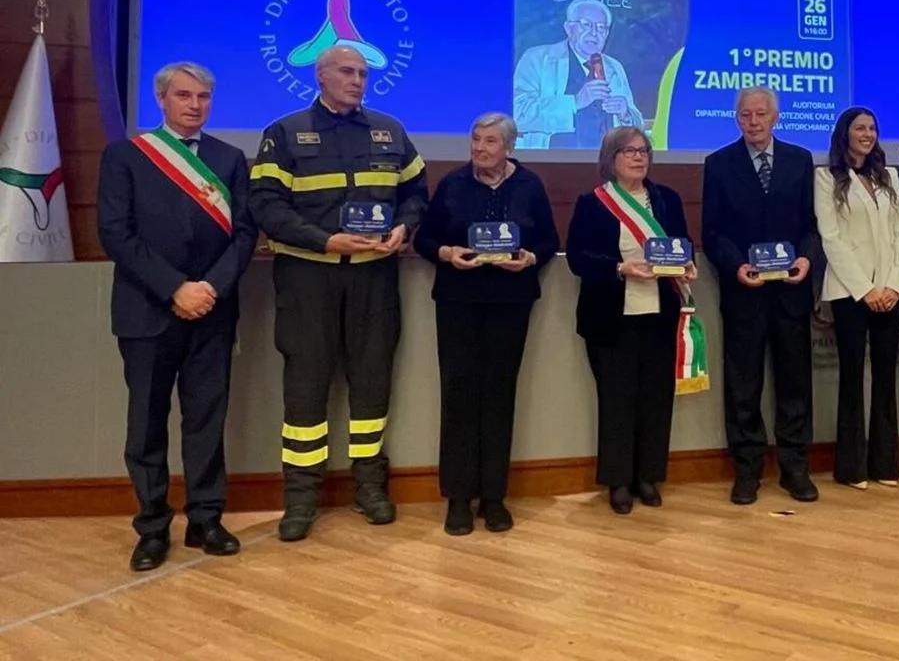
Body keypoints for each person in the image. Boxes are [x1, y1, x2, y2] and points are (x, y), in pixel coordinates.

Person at [248, 45, 428, 542]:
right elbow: (265, 205)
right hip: (308, 278)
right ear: (321, 76)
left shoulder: (390, 131)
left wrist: (404, 227)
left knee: (372, 381)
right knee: (305, 387)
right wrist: (324, 240)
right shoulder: (284, 133)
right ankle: (301, 499)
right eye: (347, 72)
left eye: (363, 73)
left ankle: (369, 487)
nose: (357, 80)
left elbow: (416, 193)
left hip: (374, 279)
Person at [97, 62, 258, 572]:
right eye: (184, 95)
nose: (195, 105)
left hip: (212, 310)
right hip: (148, 310)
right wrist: (175, 288)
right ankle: (151, 527)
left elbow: (245, 234)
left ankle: (206, 520)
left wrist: (209, 288)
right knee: (146, 423)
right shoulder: (126, 156)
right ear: (161, 100)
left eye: (203, 96)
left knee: (206, 420)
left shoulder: (229, 158)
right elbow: (115, 233)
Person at [414, 113, 559, 536]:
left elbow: (549, 239)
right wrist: (447, 253)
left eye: (490, 141)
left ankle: (494, 497)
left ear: (509, 147)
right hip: (459, 301)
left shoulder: (529, 185)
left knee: (499, 395)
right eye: (476, 139)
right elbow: (424, 239)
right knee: (459, 396)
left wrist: (530, 258)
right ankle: (458, 498)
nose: (480, 148)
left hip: (510, 302)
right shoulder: (452, 184)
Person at [566, 127, 694, 515]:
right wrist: (621, 268)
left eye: (643, 151)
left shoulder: (668, 200)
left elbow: (681, 247)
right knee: (617, 400)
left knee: (655, 398)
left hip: (659, 314)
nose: (638, 157)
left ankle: (648, 477)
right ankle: (618, 481)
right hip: (611, 316)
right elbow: (578, 258)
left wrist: (686, 266)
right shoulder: (593, 202)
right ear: (611, 158)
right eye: (629, 151)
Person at [702, 87, 820, 505]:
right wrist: (736, 265)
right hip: (744, 292)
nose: (753, 122)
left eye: (761, 114)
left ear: (775, 118)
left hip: (791, 290)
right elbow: (712, 232)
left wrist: (806, 258)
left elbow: (811, 224)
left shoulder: (800, 160)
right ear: (737, 119)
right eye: (745, 115)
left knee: (795, 382)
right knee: (743, 385)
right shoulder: (718, 163)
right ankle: (747, 470)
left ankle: (795, 468)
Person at [814, 107, 899, 490]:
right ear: (845, 134)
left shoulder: (890, 177)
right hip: (850, 292)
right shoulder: (826, 178)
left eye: (872, 128)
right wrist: (865, 289)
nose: (867, 134)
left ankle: (885, 464)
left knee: (885, 377)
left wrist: (893, 286)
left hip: (889, 292)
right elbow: (831, 238)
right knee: (852, 377)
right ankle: (851, 467)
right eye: (860, 128)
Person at [512, 0, 643, 149]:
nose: (594, 33)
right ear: (569, 29)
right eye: (586, 25)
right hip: (551, 160)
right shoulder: (538, 59)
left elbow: (638, 128)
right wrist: (575, 102)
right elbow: (517, 114)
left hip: (605, 160)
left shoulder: (614, 67)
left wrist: (625, 114)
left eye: (601, 27)